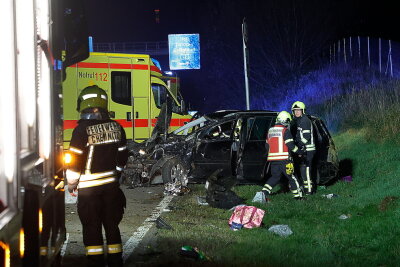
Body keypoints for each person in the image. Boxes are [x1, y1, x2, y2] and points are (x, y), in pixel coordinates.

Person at [66, 85, 128, 267]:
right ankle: (116, 262)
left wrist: (72, 184)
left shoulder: (80, 130)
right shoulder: (117, 127)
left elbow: (74, 163)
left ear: (86, 105)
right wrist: (115, 175)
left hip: (88, 191)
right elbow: (122, 158)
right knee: (112, 226)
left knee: (92, 227)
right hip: (111, 189)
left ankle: (95, 262)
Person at [261, 111, 303, 200]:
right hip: (284, 160)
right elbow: (291, 145)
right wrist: (299, 152)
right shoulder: (285, 131)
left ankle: (263, 194)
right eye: (288, 121)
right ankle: (298, 197)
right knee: (292, 177)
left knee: (275, 177)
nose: (288, 123)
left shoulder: (270, 131)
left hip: (273, 160)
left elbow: (267, 145)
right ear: (285, 120)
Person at [291, 101, 316, 195]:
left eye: (298, 110)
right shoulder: (299, 121)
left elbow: (306, 137)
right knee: (303, 170)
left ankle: (309, 191)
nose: (296, 112)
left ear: (303, 111)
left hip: (308, 150)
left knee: (307, 171)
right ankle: (306, 189)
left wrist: (298, 146)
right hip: (304, 150)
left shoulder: (305, 121)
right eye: (295, 110)